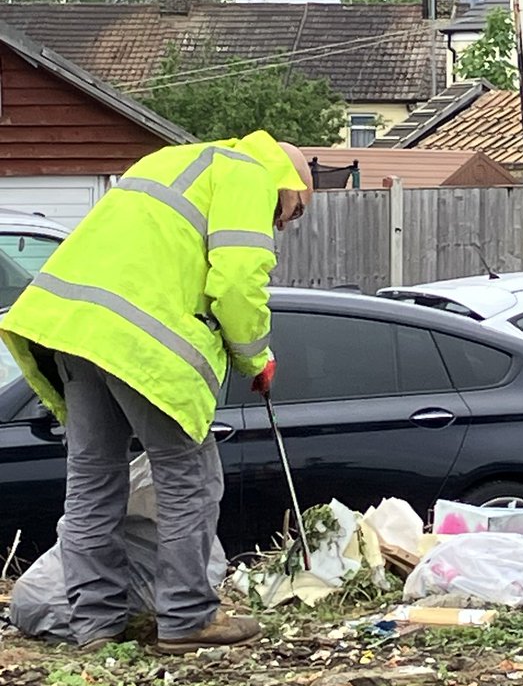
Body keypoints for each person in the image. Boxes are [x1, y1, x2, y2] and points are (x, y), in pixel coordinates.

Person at [0, 130, 312, 654]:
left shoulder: (171, 161)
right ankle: (187, 617)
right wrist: (257, 357)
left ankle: (95, 626)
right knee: (188, 478)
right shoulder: (248, 173)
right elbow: (237, 280)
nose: (283, 223)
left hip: (71, 332)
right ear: (290, 183)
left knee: (92, 484)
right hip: (139, 346)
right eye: (293, 212)